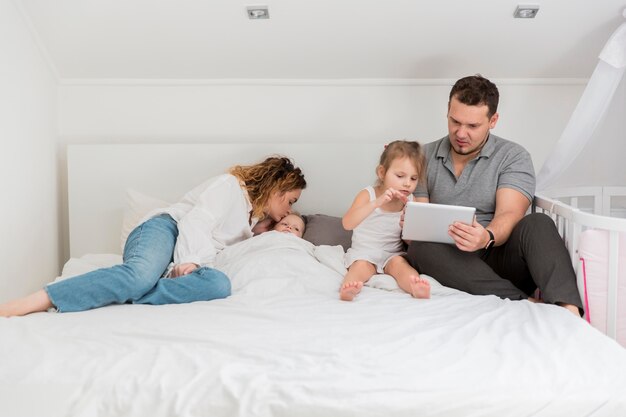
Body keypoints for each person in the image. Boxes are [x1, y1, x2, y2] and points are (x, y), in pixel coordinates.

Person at [0, 156, 306, 317]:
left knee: (219, 284)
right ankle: (36, 301)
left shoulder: (250, 221)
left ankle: (114, 293)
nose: (288, 209)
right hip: (164, 230)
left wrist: (256, 233)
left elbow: (221, 251)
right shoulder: (230, 186)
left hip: (179, 259)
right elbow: (195, 222)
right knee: (137, 277)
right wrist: (190, 263)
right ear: (276, 187)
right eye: (290, 201)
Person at [404, 74, 583, 316]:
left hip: (501, 255)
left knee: (538, 222)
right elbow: (420, 217)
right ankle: (525, 303)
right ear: (447, 111)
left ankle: (568, 309)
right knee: (419, 249)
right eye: (455, 121)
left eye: (473, 126)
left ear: (493, 120)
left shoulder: (513, 156)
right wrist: (411, 226)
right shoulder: (423, 156)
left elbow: (510, 213)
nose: (461, 133)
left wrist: (485, 236)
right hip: (453, 262)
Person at [340, 140, 431, 301]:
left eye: (414, 178)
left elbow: (413, 241)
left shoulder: (411, 200)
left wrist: (411, 220)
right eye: (400, 176)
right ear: (382, 173)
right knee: (361, 266)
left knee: (400, 265)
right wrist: (376, 203)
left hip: (392, 254)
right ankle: (348, 289)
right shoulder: (368, 195)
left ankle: (416, 287)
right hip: (365, 252)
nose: (407, 183)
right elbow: (347, 223)